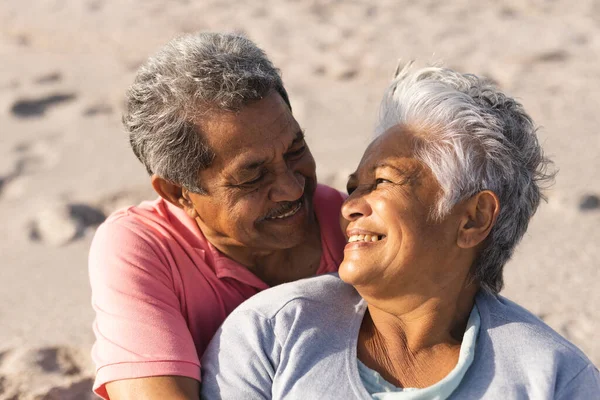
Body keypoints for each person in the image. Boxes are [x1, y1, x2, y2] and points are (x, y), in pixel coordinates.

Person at [200, 64, 600, 399]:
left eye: (384, 182)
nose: (350, 205)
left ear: (473, 219)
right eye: (354, 187)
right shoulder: (273, 332)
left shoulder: (553, 378)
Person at [88, 32, 347, 399]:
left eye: (295, 150)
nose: (291, 188)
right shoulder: (146, 247)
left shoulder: (354, 224)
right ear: (180, 193)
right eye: (252, 175)